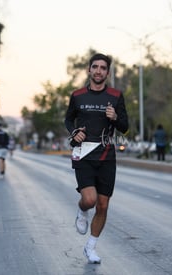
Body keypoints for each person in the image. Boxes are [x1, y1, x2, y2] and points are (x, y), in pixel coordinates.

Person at [64, 53, 129, 264]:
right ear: (89, 70)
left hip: (107, 156)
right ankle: (82, 210)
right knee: (90, 200)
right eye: (95, 67)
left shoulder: (116, 96)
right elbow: (68, 119)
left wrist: (115, 118)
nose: (99, 71)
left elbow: (125, 127)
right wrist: (74, 132)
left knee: (102, 206)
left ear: (107, 73)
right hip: (83, 154)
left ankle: (90, 247)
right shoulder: (78, 95)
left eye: (103, 68)